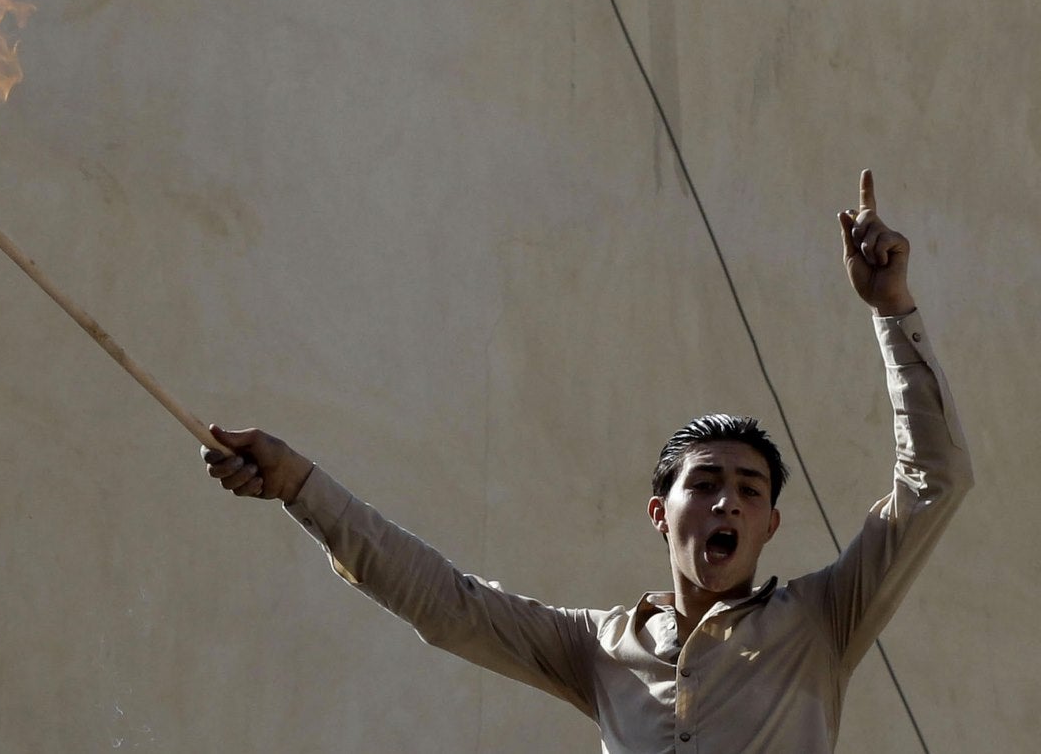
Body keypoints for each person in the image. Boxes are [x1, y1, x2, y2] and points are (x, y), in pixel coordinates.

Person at [203, 171, 972, 753]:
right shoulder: (599, 647)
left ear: (771, 522)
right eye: (703, 484)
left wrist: (892, 308)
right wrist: (302, 486)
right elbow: (447, 604)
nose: (726, 504)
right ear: (659, 512)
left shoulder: (821, 622)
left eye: (748, 490)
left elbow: (934, 481)